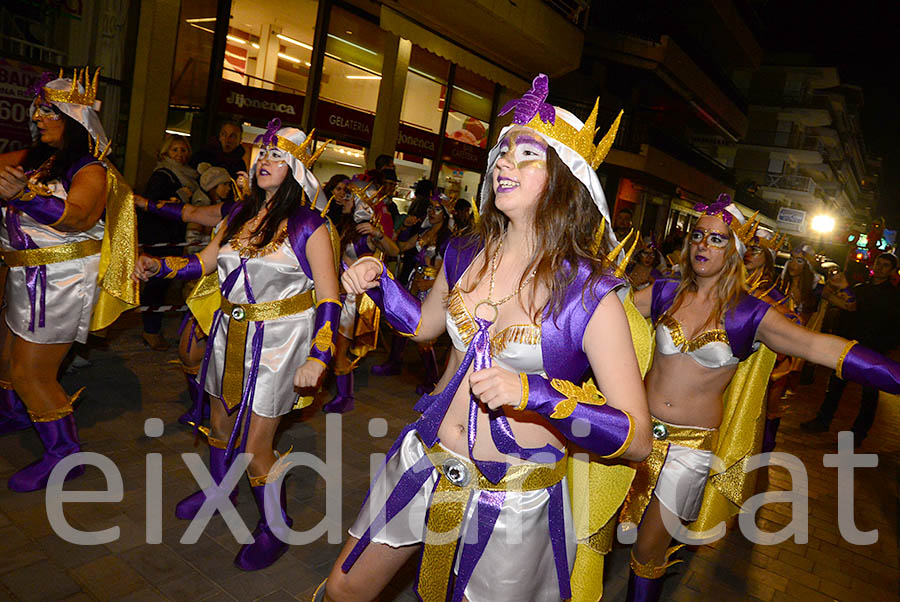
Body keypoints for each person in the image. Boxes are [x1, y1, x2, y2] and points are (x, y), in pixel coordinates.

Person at [318, 74, 652, 602]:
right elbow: (425, 329)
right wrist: (380, 284)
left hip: (513, 495)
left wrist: (535, 395)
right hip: (426, 455)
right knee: (344, 587)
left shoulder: (591, 296)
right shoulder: (463, 250)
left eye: (527, 155)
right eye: (503, 152)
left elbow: (636, 439)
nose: (503, 162)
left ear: (567, 180)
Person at [619, 195, 900, 601]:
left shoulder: (750, 314)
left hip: (690, 448)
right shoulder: (665, 293)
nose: (702, 245)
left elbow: (819, 348)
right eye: (697, 236)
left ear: (734, 251)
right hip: (635, 430)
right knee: (601, 525)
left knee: (648, 548)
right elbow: (606, 313)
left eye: (716, 239)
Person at [133, 118, 340, 570]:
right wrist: (160, 267)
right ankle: (216, 490)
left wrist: (320, 356)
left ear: (296, 170)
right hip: (229, 335)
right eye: (261, 153)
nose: (264, 161)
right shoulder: (239, 214)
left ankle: (275, 528)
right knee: (221, 426)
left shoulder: (310, 225)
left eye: (276, 156)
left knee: (253, 445)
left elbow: (329, 297)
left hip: (281, 345)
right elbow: (206, 263)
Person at [0, 68, 138, 490]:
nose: (37, 118)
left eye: (47, 111)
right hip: (26, 276)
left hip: (60, 283)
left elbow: (77, 217)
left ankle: (65, 456)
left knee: (32, 374)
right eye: (37, 110)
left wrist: (23, 196)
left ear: (72, 118)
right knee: (7, 360)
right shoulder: (41, 160)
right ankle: (16, 412)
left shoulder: (90, 169)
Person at [801, 252, 900, 445]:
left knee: (869, 394)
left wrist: (884, 346)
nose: (880, 268)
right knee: (836, 384)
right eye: (878, 263)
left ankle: (858, 433)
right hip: (851, 345)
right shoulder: (861, 288)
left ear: (891, 271)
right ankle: (823, 420)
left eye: (885, 265)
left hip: (874, 350)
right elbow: (847, 310)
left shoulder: (893, 297)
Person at [322, 173, 399, 414]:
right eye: (344, 192)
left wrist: (378, 234)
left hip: (354, 301)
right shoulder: (345, 225)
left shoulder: (367, 231)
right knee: (330, 343)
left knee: (341, 348)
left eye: (349, 194)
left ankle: (346, 397)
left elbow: (394, 251)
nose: (343, 197)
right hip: (338, 295)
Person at [138, 134, 198, 351]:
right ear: (166, 153)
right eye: (175, 150)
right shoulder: (163, 175)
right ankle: (150, 330)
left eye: (183, 150)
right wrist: (177, 198)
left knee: (164, 282)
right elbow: (152, 204)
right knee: (156, 284)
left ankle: (153, 329)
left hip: (174, 237)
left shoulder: (186, 175)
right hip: (160, 237)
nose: (180, 154)